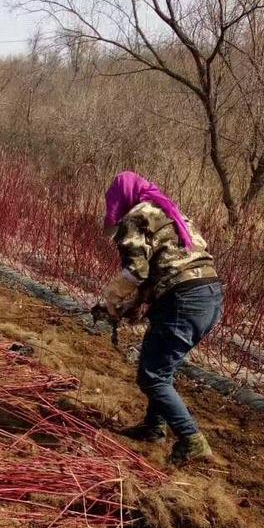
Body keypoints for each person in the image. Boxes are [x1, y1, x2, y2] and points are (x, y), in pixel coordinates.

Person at [93, 171, 223, 465]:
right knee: (163, 368)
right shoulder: (170, 212)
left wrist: (109, 301)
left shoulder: (136, 217)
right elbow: (163, 269)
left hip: (183, 301)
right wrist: (132, 307)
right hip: (209, 297)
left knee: (151, 376)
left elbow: (135, 272)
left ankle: (192, 439)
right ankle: (154, 428)